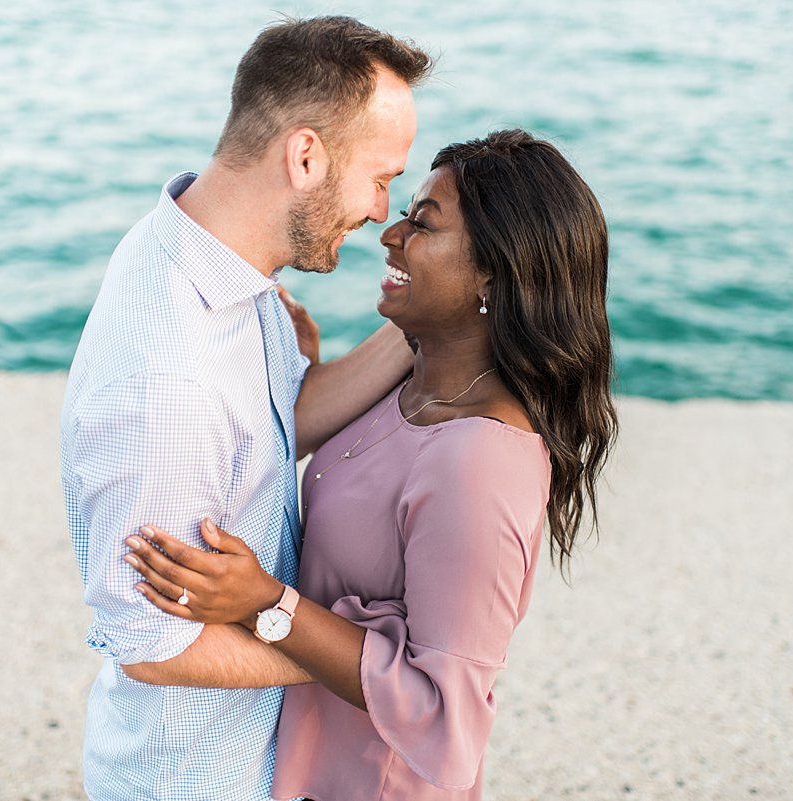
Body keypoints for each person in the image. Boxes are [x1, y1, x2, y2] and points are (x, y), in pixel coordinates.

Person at [124, 129, 619, 800]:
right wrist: (298, 373)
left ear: (493, 276)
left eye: (423, 223)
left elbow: (445, 713)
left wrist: (265, 604)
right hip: (301, 766)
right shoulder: (415, 378)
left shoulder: (479, 461)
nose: (390, 233)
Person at [59, 16, 432, 801]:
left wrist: (425, 326)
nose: (382, 211)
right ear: (305, 155)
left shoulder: (220, 259)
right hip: (196, 778)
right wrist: (354, 661)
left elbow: (269, 424)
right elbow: (150, 644)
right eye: (380, 177)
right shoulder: (167, 376)